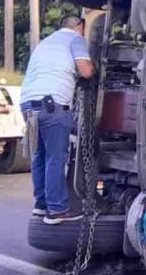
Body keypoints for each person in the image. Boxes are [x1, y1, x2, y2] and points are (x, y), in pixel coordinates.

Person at [19, 14, 95, 224]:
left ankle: (41, 205)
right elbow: (86, 71)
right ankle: (57, 210)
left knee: (40, 155)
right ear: (79, 26)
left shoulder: (45, 42)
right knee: (55, 157)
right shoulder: (75, 39)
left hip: (28, 104)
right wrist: (94, 66)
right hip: (52, 105)